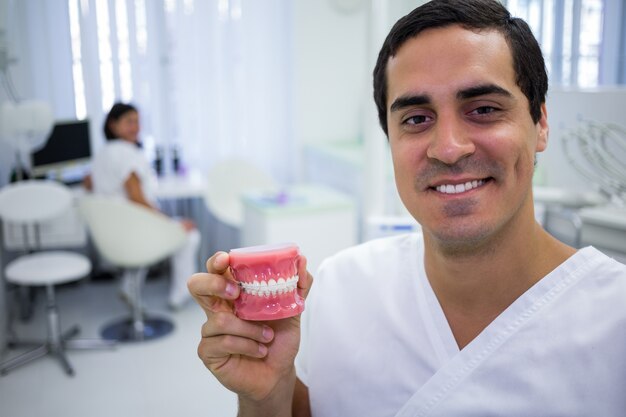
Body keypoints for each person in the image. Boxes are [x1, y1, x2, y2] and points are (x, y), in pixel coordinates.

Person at [187, 1, 626, 416]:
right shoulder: (343, 287)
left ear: (541, 123)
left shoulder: (614, 320)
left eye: (484, 109)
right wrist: (267, 393)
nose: (449, 149)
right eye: (416, 119)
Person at [87, 102, 200, 310]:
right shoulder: (127, 153)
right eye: (129, 122)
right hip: (134, 231)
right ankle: (180, 295)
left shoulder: (102, 153)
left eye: (138, 122)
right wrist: (170, 223)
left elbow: (89, 183)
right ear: (113, 125)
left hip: (113, 233)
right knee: (190, 235)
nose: (136, 127)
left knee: (149, 235)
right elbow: (137, 198)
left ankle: (130, 284)